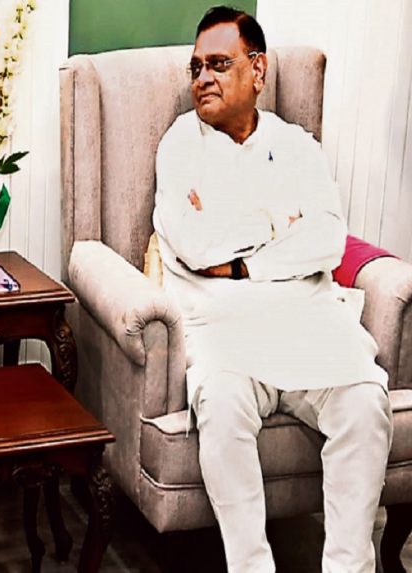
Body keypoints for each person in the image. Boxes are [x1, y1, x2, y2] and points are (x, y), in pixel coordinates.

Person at [153, 7, 392, 572]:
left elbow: (327, 240)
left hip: (307, 320)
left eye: (219, 64)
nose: (203, 79)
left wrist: (241, 262)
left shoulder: (296, 146)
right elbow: (195, 244)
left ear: (257, 70)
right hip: (224, 326)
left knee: (365, 402)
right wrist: (280, 222)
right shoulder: (181, 144)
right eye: (196, 68)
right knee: (220, 404)